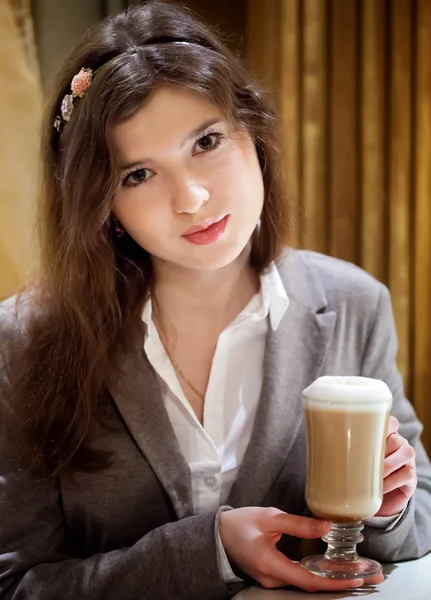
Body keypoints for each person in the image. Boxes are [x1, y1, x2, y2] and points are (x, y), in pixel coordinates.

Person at [0, 1, 430, 598]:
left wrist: (389, 507)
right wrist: (210, 551)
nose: (192, 197)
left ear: (252, 133)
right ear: (104, 207)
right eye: (138, 175)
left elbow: (418, 524)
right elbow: (16, 581)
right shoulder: (22, 341)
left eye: (206, 141)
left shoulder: (354, 303)